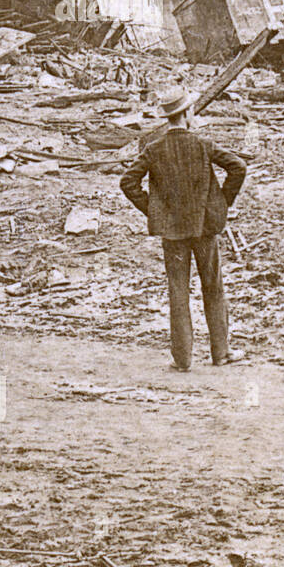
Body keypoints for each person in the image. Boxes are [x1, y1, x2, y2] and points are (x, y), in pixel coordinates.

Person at [120, 87, 247, 371]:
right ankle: (221, 353)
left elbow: (128, 182)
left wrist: (155, 210)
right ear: (188, 113)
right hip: (204, 227)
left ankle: (183, 359)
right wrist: (221, 203)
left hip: (172, 231)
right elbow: (238, 167)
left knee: (178, 291)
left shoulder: (154, 148)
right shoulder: (202, 143)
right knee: (213, 288)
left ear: (168, 117)